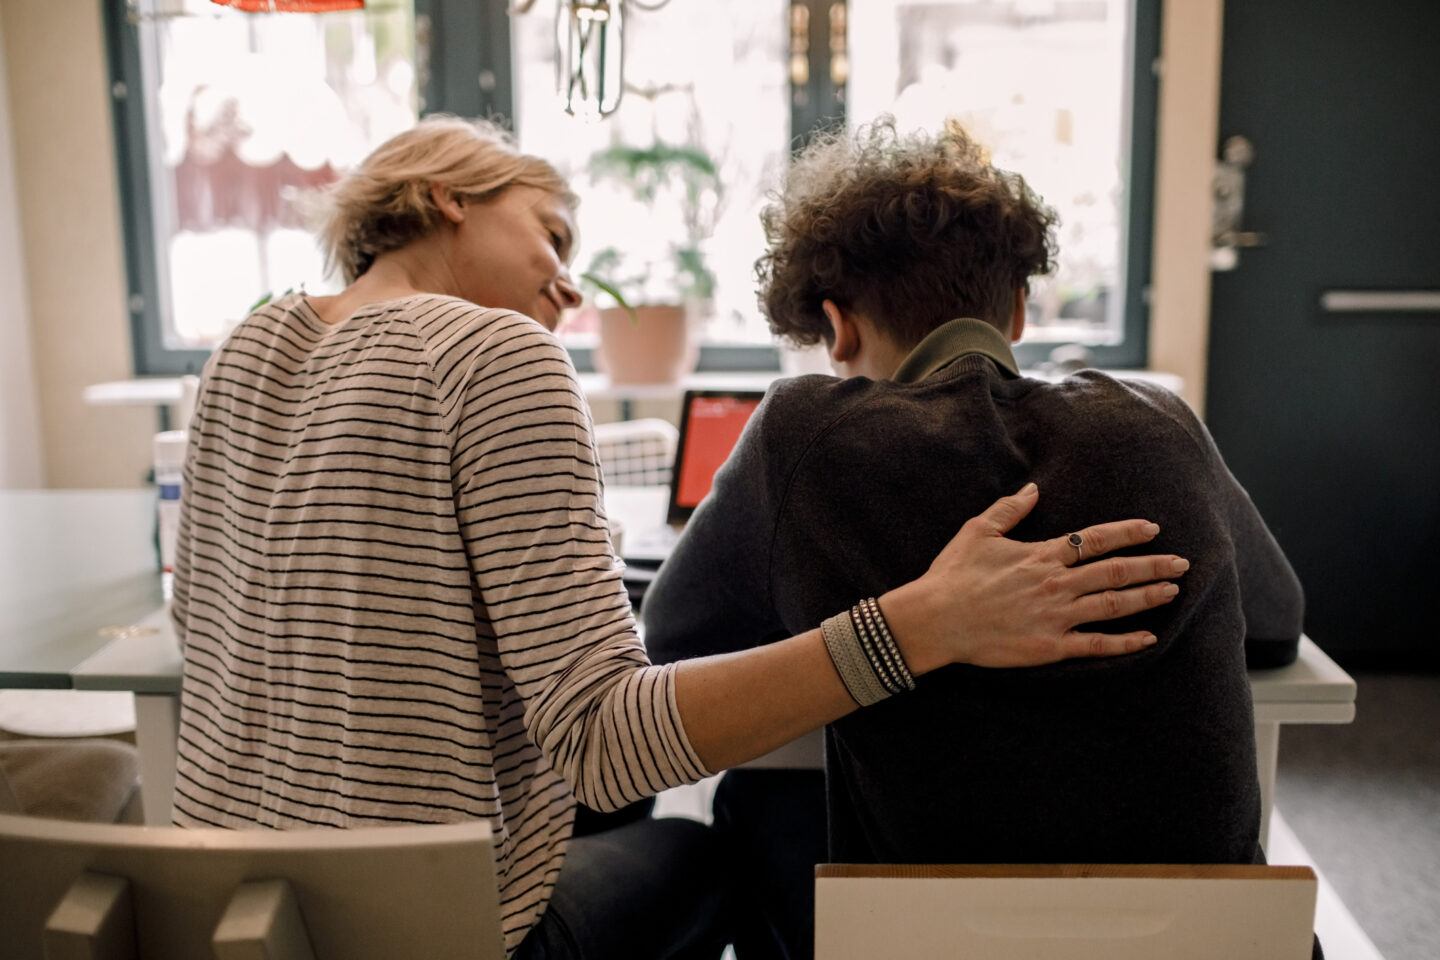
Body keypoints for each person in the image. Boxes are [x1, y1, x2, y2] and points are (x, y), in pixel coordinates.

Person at [168, 116, 1185, 960]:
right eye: (554, 237)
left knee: (620, 825)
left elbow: (206, 629)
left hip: (226, 916)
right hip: (427, 936)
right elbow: (609, 746)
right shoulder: (496, 353)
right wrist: (919, 624)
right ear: (449, 195)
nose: (568, 288)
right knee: (719, 847)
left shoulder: (245, 347)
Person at [642, 118, 1306, 960]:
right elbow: (1279, 622)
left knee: (754, 805)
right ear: (1019, 311)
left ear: (838, 328)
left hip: (918, 945)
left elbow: (672, 639)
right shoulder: (1154, 421)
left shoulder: (805, 434)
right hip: (1203, 948)